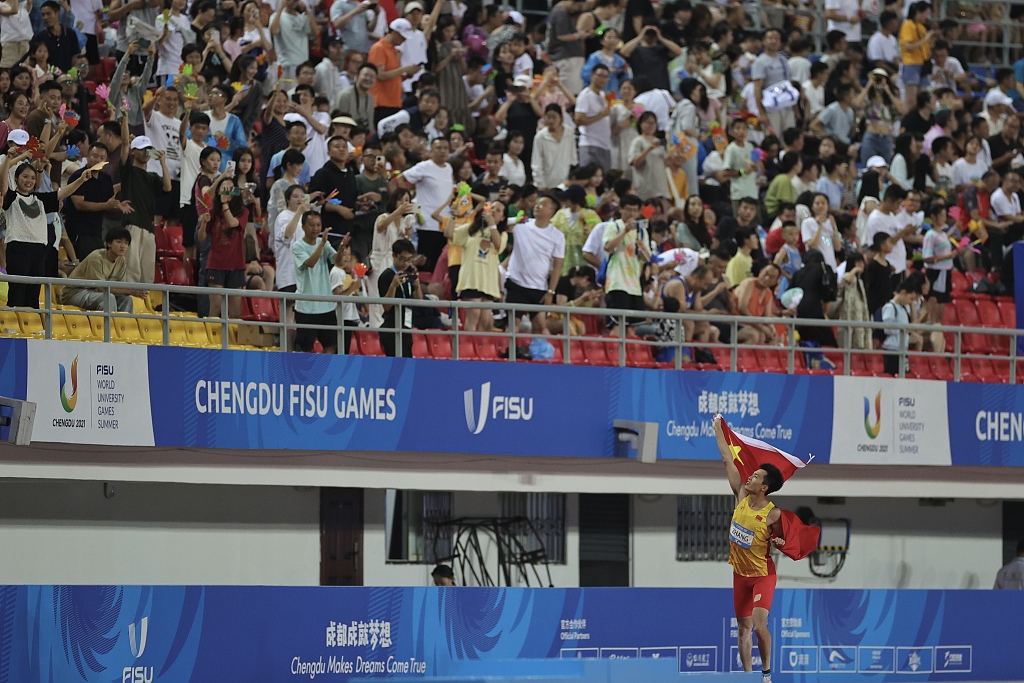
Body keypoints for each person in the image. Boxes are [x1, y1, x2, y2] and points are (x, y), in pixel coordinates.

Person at [713, 413, 784, 683]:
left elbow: (784, 539)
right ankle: (747, 678)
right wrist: (719, 429)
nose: (750, 477)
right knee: (742, 629)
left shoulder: (773, 513)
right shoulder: (740, 495)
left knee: (759, 626)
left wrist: (779, 541)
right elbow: (727, 458)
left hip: (762, 575)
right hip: (740, 575)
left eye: (755, 477)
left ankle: (766, 674)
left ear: (764, 487)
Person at [504, 194, 565, 347]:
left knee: (541, 327)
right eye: (537, 203)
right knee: (513, 325)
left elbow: (557, 267)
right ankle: (509, 354)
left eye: (543, 204)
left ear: (551, 211)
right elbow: (499, 224)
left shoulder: (557, 236)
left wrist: (551, 292)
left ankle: (540, 356)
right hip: (516, 283)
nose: (537, 206)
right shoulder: (521, 224)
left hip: (539, 287)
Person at [60, 227, 145, 313]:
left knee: (126, 300)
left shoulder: (121, 260)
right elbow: (101, 288)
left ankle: (121, 326)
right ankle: (106, 325)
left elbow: (120, 286)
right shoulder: (96, 258)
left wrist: (134, 291)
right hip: (75, 293)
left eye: (126, 243)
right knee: (108, 298)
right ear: (108, 244)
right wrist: (130, 291)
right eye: (119, 242)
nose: (123, 246)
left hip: (95, 292)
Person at [401, 135, 453, 272]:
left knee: (440, 267)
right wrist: (408, 199)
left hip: (445, 224)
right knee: (426, 266)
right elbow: (402, 178)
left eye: (446, 148)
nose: (442, 151)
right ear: (431, 150)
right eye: (439, 148)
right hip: (427, 224)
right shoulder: (424, 166)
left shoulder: (449, 168)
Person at [602, 194, 649, 334]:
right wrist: (625, 231)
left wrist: (641, 246)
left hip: (634, 284)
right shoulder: (613, 226)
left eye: (635, 211)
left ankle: (630, 356)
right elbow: (608, 247)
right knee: (617, 326)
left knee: (632, 328)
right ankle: (614, 355)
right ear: (621, 209)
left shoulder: (641, 231)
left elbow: (646, 258)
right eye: (628, 210)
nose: (632, 214)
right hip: (617, 282)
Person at [292, 211, 337, 354]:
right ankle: (307, 373)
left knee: (331, 345)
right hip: (306, 307)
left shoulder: (324, 243)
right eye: (312, 225)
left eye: (318, 225)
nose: (316, 228)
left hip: (326, 305)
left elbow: (337, 260)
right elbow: (310, 263)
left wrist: (342, 249)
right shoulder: (297, 246)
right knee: (305, 348)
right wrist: (322, 243)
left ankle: (323, 372)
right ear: (303, 226)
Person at [377, 238, 423, 358]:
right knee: (395, 365)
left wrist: (417, 287)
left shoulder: (409, 274)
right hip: (391, 327)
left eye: (409, 259)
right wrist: (393, 286)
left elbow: (419, 302)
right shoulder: (386, 276)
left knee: (407, 362)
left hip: (406, 325)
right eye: (403, 259)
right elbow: (386, 306)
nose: (406, 263)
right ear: (394, 255)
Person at [879, 277, 922, 375]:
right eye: (910, 298)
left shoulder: (902, 309)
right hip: (892, 349)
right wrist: (906, 329)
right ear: (903, 292)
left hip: (902, 348)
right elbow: (888, 329)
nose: (910, 302)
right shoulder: (890, 307)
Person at [574, 64, 612, 171]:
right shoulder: (585, 95)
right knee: (589, 178)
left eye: (606, 77)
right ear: (592, 75)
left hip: (604, 144)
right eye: (600, 75)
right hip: (590, 143)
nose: (603, 79)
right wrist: (601, 115)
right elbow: (578, 120)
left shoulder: (604, 96)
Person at [532, 103, 578, 192]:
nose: (551, 120)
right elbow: (536, 162)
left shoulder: (569, 133)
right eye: (548, 117)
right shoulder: (540, 137)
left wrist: (571, 178)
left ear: (561, 118)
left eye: (554, 117)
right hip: (547, 183)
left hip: (565, 182)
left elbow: (573, 157)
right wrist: (541, 184)